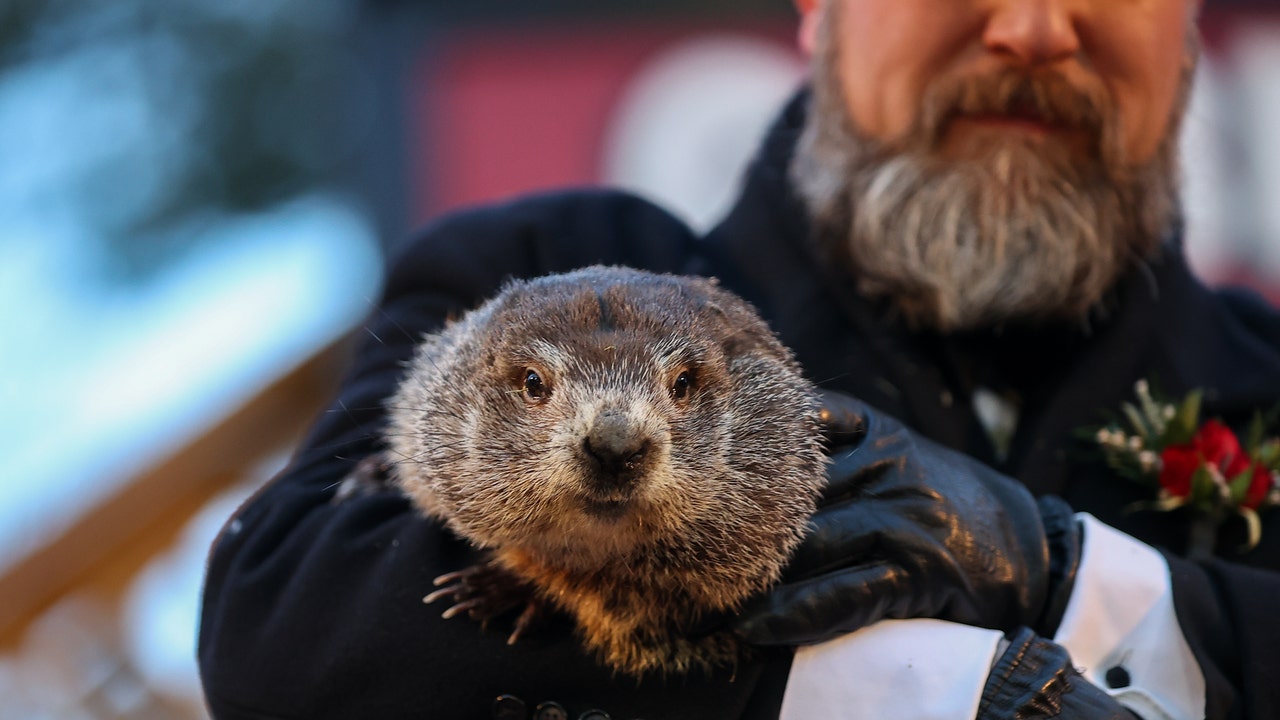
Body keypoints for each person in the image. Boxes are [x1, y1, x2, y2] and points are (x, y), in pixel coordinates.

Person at [198, 0, 1280, 718]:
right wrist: (919, 687)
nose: (1035, 26)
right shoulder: (530, 264)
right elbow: (290, 620)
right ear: (817, 10)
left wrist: (1069, 572)